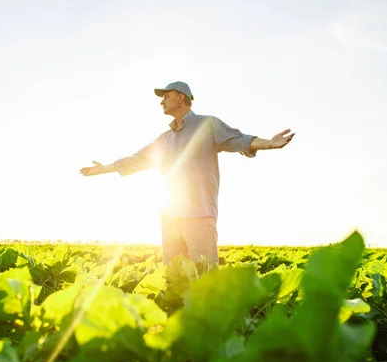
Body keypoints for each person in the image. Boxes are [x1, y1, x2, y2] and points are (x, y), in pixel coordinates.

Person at [80, 81, 294, 268]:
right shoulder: (165, 139)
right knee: (174, 279)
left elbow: (238, 140)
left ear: (180, 98)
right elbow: (137, 160)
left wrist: (269, 144)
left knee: (205, 278)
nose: (161, 102)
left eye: (166, 97)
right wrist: (104, 168)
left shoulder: (207, 124)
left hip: (199, 215)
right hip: (171, 217)